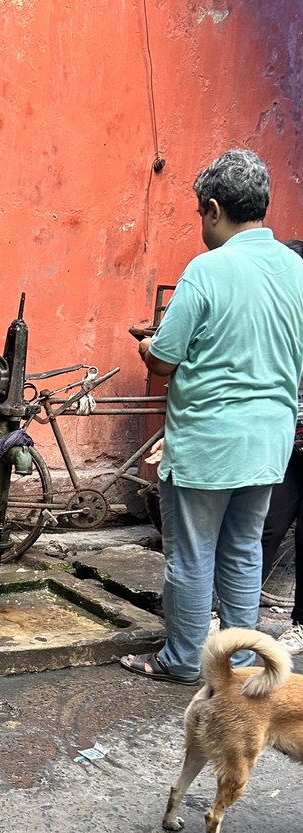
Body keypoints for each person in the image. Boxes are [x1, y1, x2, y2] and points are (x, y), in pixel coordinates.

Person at [121, 149, 303, 684]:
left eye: (201, 212)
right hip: (269, 439)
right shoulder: (296, 268)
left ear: (215, 209)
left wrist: (148, 347)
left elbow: (164, 359)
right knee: (244, 551)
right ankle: (241, 660)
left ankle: (180, 660)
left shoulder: (207, 269)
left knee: (192, 555)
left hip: (209, 441)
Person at [260, 238, 303, 653]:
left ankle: (301, 624)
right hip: (290, 449)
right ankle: (237, 610)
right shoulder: (286, 323)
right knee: (267, 526)